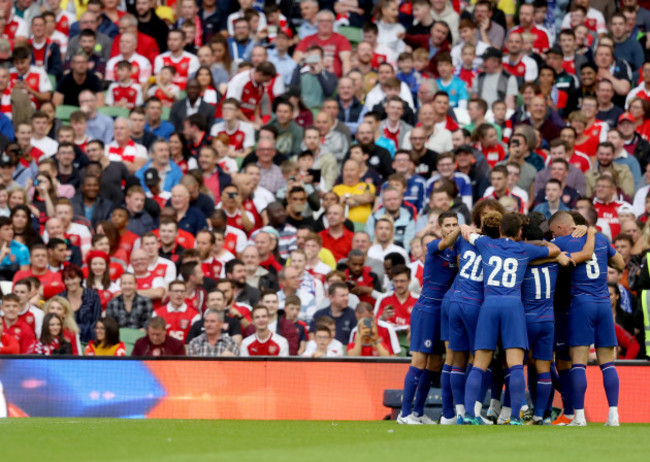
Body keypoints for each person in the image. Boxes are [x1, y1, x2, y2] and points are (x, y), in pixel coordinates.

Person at [460, 213, 559, 425]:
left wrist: (473, 230)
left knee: (479, 364)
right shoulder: (524, 249)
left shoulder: (486, 243)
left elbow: (466, 232)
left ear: (500, 230)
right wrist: (544, 251)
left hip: (490, 304)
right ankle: (515, 417)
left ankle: (468, 414)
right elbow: (555, 250)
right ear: (520, 232)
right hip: (513, 306)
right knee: (515, 365)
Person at [550, 211, 625, 426]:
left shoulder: (562, 241)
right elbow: (620, 263)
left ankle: (579, 417)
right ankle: (613, 416)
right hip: (603, 303)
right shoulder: (601, 238)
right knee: (608, 364)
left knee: (579, 365)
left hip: (581, 305)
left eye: (553, 229)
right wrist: (595, 237)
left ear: (561, 227)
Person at [398, 211, 461, 425]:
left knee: (434, 364)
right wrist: (463, 230)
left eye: (455, 224)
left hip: (442, 313)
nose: (452, 228)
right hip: (426, 310)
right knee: (419, 360)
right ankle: (404, 414)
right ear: (440, 228)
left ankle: (417, 412)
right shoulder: (434, 247)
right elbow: (448, 241)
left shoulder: (457, 252)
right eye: (448, 225)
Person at [153, 279, 200, 343]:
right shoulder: (157, 314)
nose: (179, 294)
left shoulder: (194, 315)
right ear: (169, 293)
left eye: (182, 291)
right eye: (176, 291)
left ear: (185, 293)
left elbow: (196, 339)